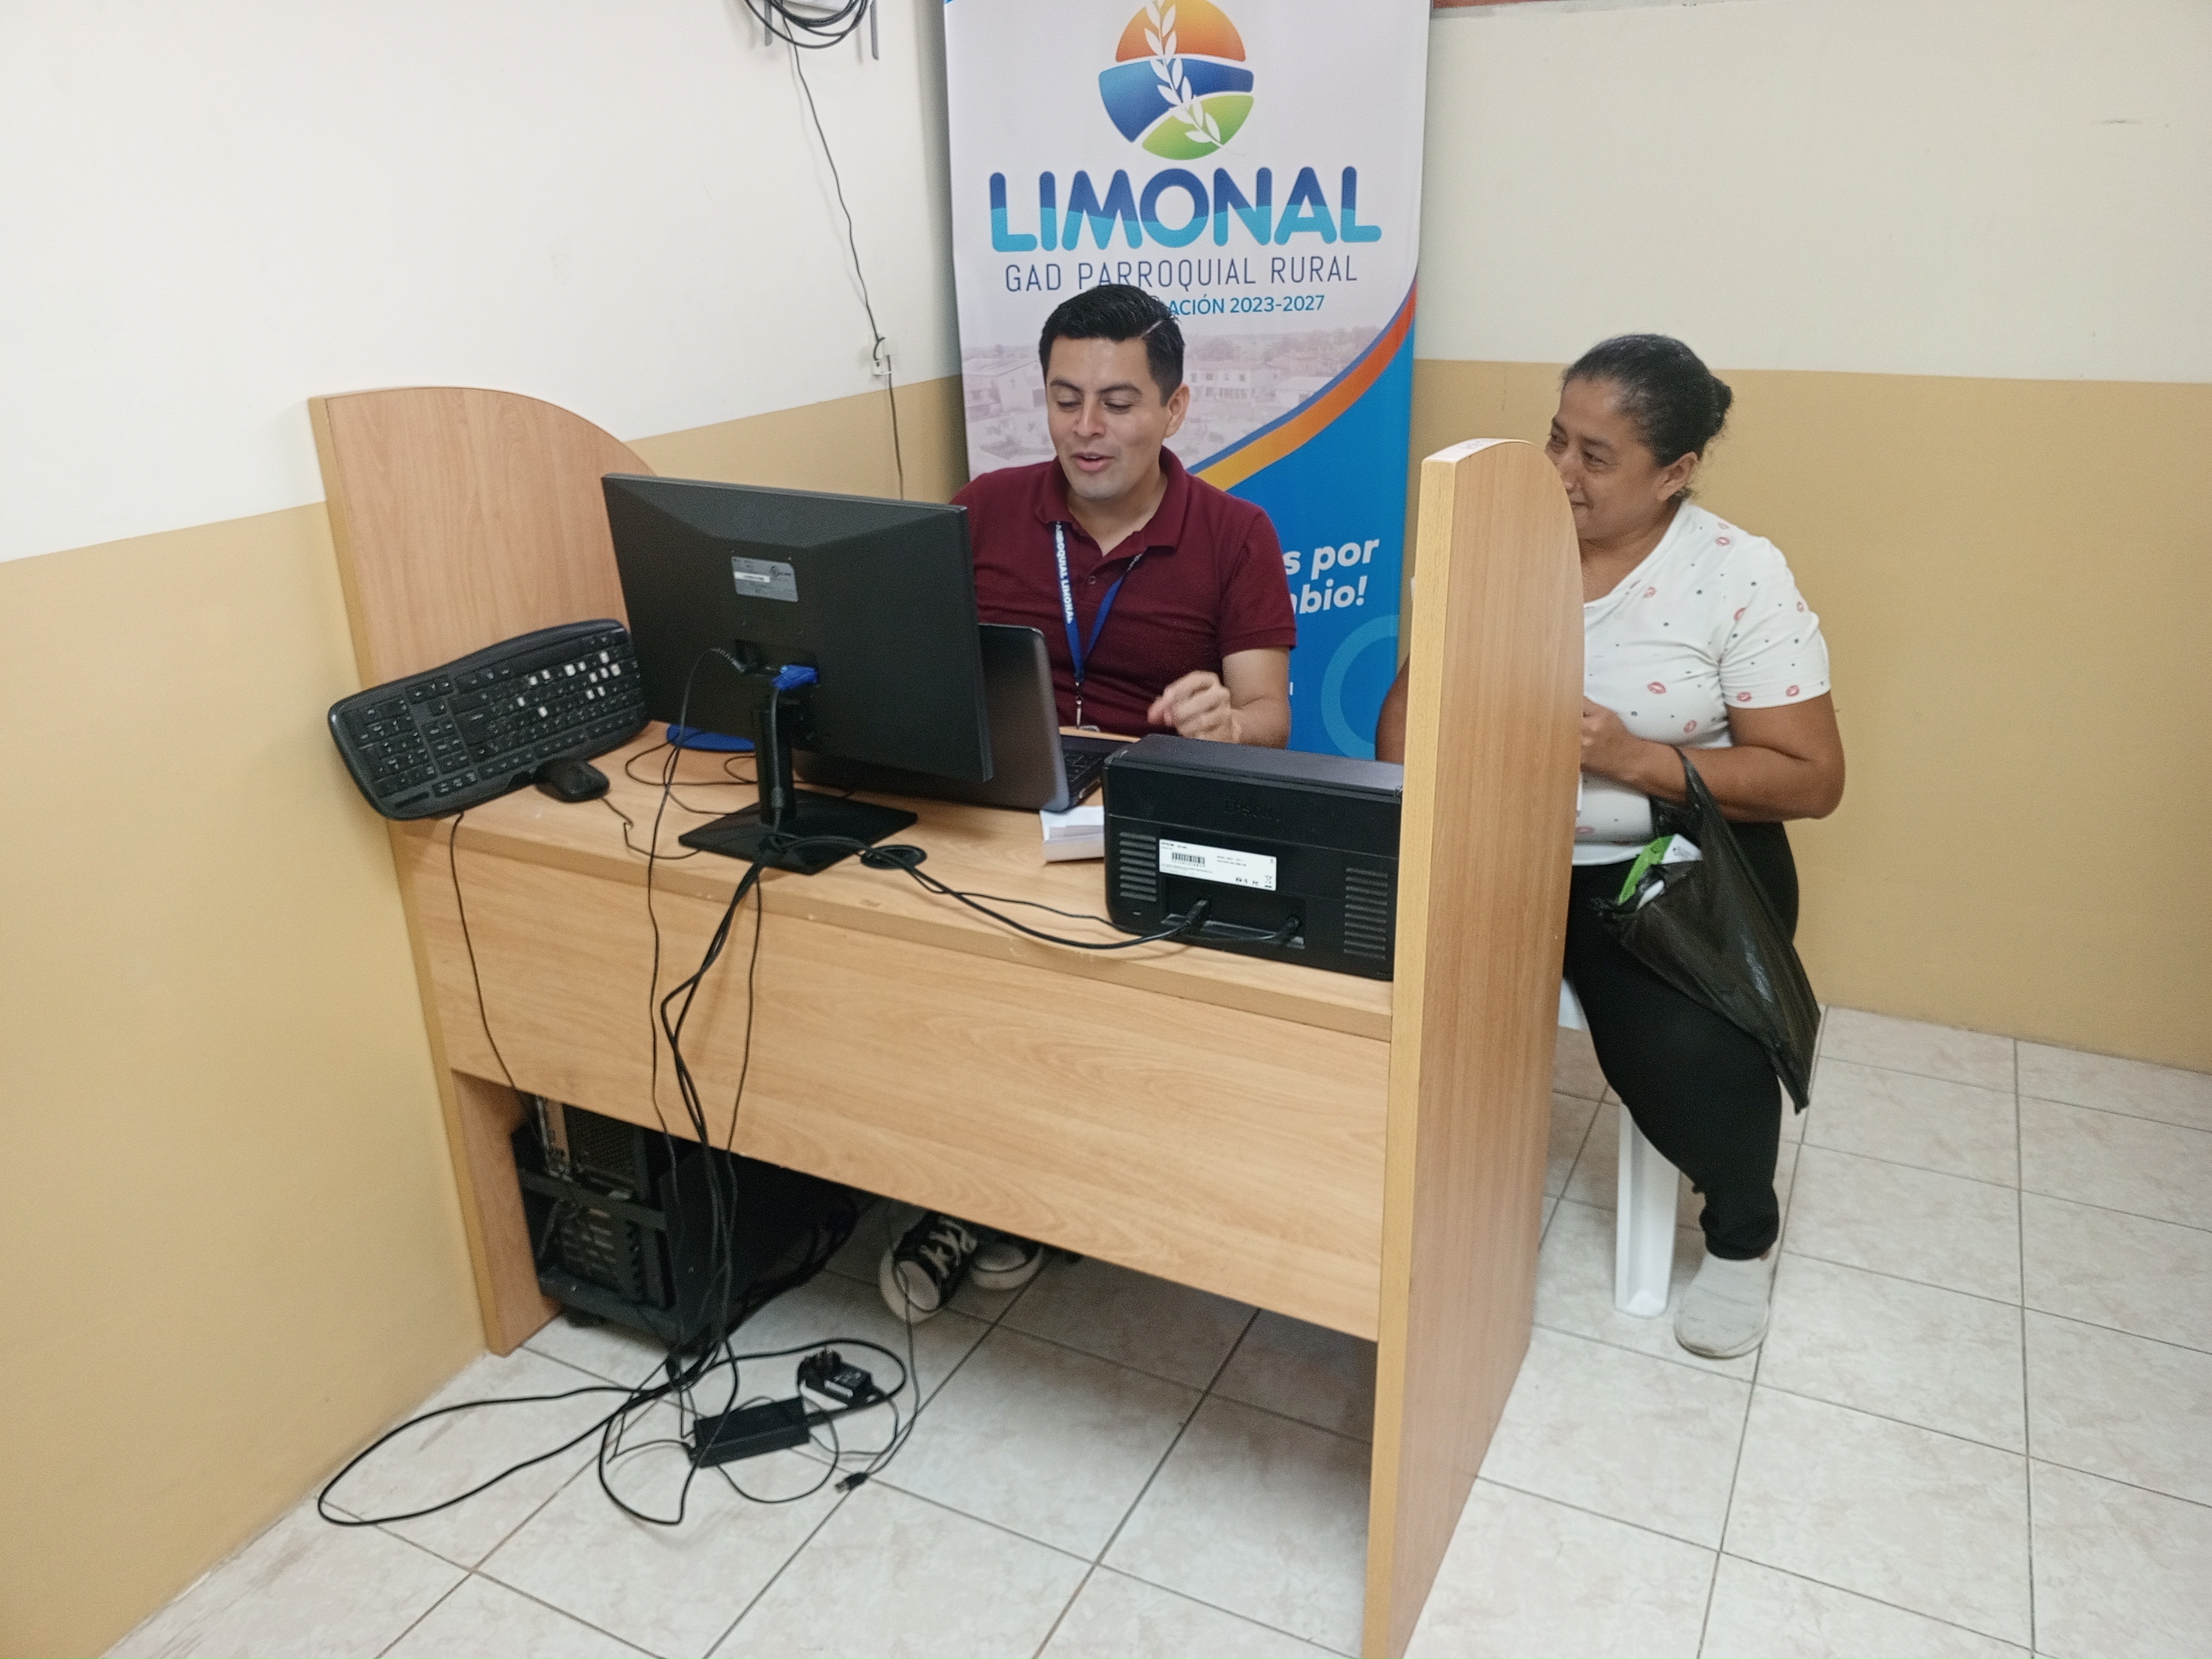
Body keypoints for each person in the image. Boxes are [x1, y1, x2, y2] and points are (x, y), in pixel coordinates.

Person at [1375, 334, 1844, 1357]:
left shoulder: (1736, 574)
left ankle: (1741, 1237)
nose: (1560, 472)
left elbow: (1812, 780)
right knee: (1352, 968)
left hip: (1655, 871)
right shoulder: (1499, 539)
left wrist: (1635, 758)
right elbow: (1405, 724)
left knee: (1685, 1047)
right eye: (1556, 440)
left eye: (1595, 457)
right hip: (1496, 848)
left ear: (1676, 473)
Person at [878, 284, 1299, 1323]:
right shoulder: (984, 508)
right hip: (999, 798)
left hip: (1149, 802)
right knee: (935, 966)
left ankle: (1039, 1194)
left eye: (1118, 402)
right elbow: (919, 657)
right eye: (1066, 399)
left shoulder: (1235, 532)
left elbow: (1270, 717)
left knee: (1076, 995)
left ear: (1175, 408)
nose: (1086, 429)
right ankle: (972, 1189)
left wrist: (1223, 724)